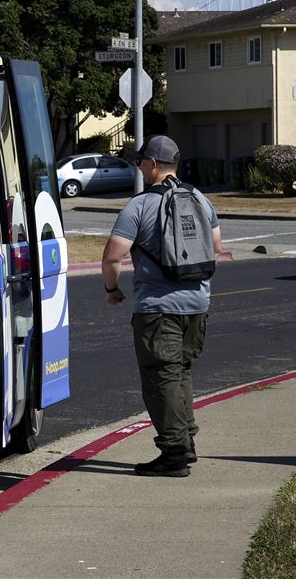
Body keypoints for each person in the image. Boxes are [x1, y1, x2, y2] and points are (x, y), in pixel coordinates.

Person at [101, 135, 221, 478]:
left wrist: (113, 287)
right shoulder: (200, 198)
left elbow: (113, 255)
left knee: (159, 381)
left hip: (158, 308)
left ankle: (174, 454)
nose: (139, 166)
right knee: (180, 373)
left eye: (142, 161)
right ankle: (186, 442)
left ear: (153, 164)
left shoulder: (139, 206)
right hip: (197, 304)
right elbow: (215, 247)